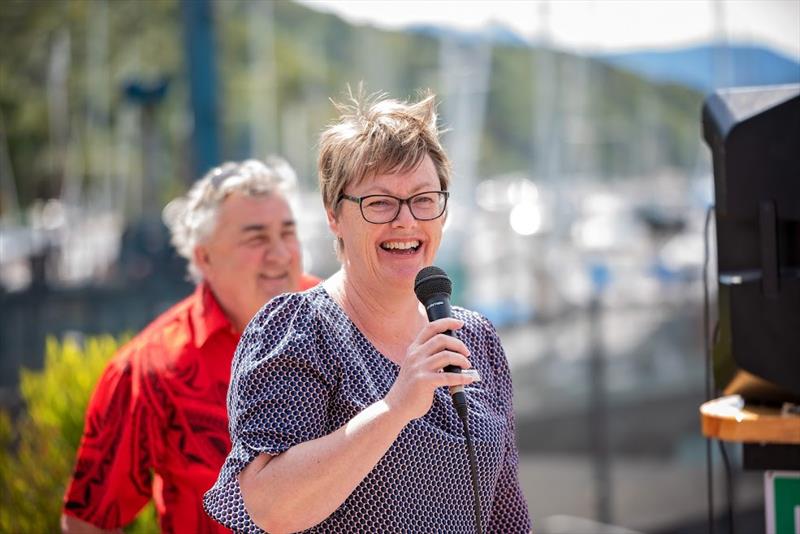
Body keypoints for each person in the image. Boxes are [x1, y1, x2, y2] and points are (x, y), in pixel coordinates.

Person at [204, 92, 531, 533]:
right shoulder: (298, 331)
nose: (406, 221)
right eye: (379, 202)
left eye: (423, 199)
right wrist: (395, 407)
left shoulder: (473, 337)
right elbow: (270, 507)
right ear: (334, 216)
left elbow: (505, 512)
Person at [61, 158, 320, 533]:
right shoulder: (148, 369)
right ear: (204, 257)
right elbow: (88, 521)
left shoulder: (342, 319)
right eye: (256, 238)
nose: (280, 254)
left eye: (287, 232)